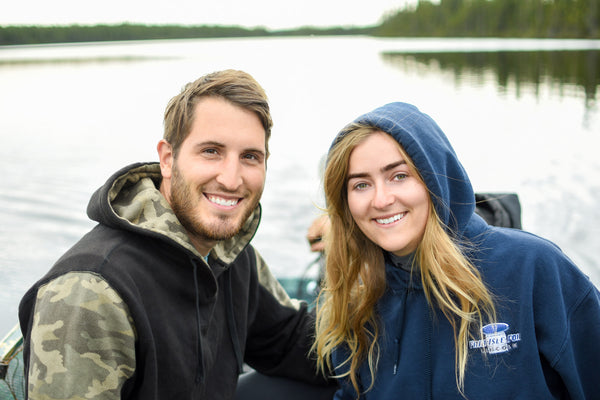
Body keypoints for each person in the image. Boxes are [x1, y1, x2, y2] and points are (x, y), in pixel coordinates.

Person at [18, 70, 331, 400]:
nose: (231, 178)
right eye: (211, 151)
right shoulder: (90, 290)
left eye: (250, 157)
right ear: (168, 159)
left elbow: (292, 341)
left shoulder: (229, 252)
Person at [312, 102, 600, 399]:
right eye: (361, 185)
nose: (381, 199)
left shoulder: (533, 268)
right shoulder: (356, 302)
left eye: (399, 176)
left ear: (435, 178)